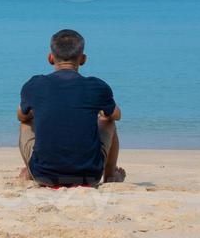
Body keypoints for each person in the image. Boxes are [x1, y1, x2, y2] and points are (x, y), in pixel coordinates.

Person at [17, 29, 124, 188]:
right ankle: (110, 176)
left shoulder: (35, 85)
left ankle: (31, 171)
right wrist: (99, 111)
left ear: (50, 58)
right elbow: (116, 115)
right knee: (108, 120)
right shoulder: (97, 86)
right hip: (89, 177)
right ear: (83, 59)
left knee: (26, 122)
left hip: (44, 176)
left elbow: (21, 116)